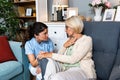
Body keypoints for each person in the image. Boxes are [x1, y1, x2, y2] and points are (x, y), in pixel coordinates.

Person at [37, 16, 96, 80]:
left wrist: (50, 54)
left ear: (73, 27)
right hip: (65, 68)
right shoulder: (69, 40)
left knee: (56, 77)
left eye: (66, 27)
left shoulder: (86, 40)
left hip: (81, 70)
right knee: (48, 62)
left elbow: (73, 59)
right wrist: (64, 46)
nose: (65, 30)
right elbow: (59, 56)